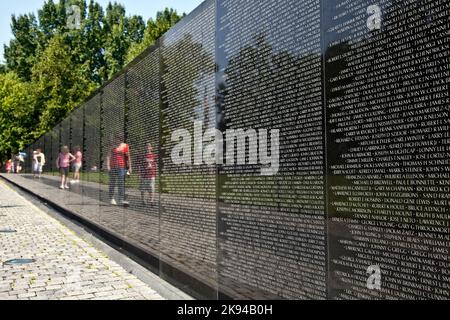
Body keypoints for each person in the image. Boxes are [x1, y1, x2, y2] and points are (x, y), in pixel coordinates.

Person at [106, 136, 132, 206]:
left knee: (121, 183)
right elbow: (108, 156)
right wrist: (108, 166)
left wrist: (130, 167)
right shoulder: (112, 146)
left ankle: (121, 199)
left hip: (122, 167)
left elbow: (128, 157)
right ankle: (111, 198)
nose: (118, 141)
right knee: (112, 183)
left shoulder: (125, 146)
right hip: (113, 167)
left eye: (120, 139)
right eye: (117, 139)